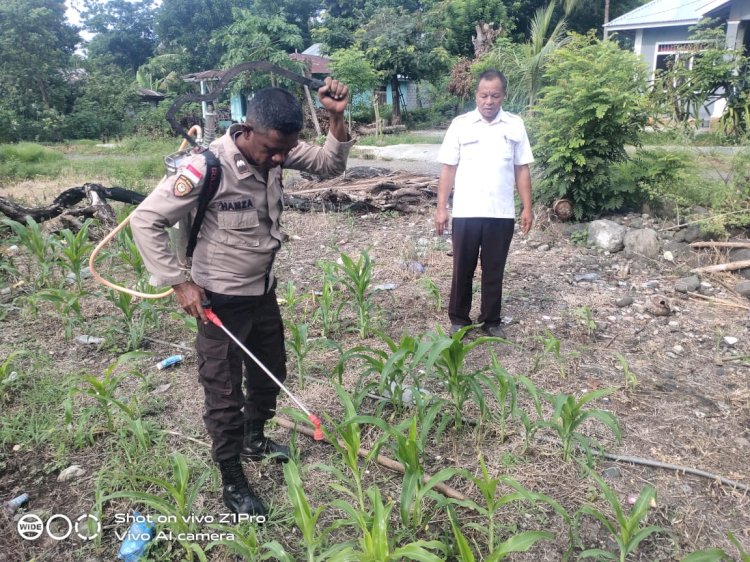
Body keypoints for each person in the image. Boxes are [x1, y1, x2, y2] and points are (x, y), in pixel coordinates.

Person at [130, 78, 354, 516]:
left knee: (271, 371)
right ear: (247, 129)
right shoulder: (205, 167)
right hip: (218, 300)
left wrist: (336, 116)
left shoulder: (280, 148)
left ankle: (254, 439)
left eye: (284, 152)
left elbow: (330, 165)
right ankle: (232, 478)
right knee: (224, 392)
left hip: (261, 290)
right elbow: (145, 221)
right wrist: (180, 282)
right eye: (271, 149)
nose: (278, 159)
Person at [434, 69, 533, 338]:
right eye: (483, 95)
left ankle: (491, 320)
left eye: (494, 96)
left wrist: (527, 207)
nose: (488, 101)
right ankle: (459, 319)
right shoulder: (461, 124)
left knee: (494, 269)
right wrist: (441, 207)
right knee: (462, 267)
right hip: (467, 210)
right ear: (475, 95)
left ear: (504, 96)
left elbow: (521, 169)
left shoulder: (514, 125)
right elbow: (448, 169)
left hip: (501, 213)